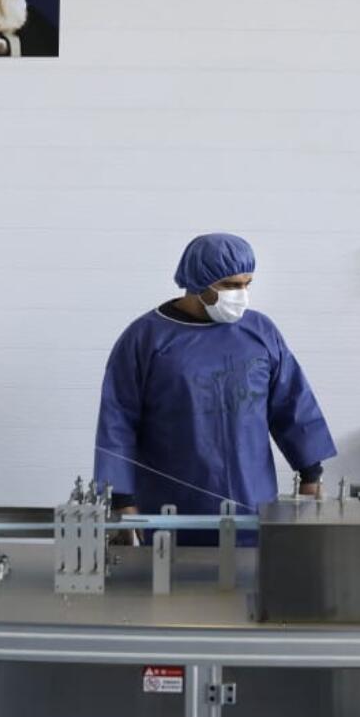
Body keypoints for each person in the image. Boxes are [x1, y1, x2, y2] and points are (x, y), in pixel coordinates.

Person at [93, 233, 336, 545]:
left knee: (248, 585)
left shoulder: (259, 332)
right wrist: (121, 499)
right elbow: (117, 422)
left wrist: (310, 473)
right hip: (172, 506)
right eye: (231, 285)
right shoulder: (146, 339)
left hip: (252, 500)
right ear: (199, 283)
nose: (242, 294)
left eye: (248, 284)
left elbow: (292, 402)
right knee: (169, 585)